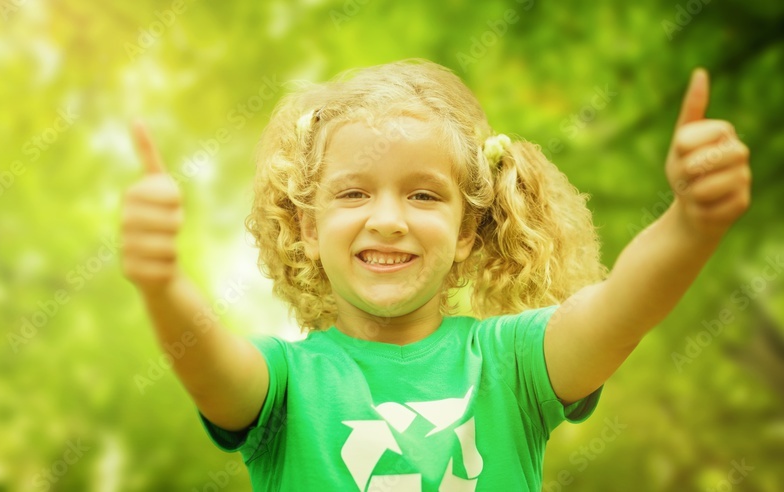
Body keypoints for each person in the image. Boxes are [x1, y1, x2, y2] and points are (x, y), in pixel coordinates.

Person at [120, 59, 751, 491]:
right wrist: (162, 283)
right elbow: (206, 364)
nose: (389, 220)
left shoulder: (515, 365)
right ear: (308, 229)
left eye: (423, 196)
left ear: (467, 232)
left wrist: (690, 225)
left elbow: (622, 308)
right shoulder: (285, 384)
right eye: (352, 195)